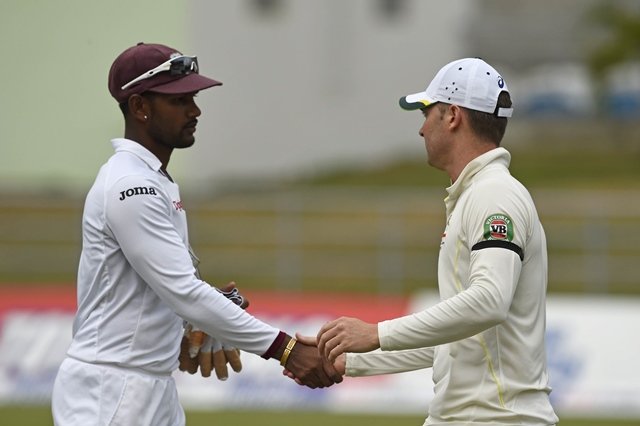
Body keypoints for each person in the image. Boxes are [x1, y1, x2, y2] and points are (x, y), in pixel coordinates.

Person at [51, 42, 341, 426]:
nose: (195, 110)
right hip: (112, 391)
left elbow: (162, 290)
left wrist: (191, 324)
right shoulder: (129, 185)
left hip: (147, 386)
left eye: (193, 97)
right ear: (140, 107)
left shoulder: (150, 179)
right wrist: (285, 349)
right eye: (179, 100)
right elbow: (183, 290)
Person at [304, 58, 559, 425]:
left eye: (427, 112)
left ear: (452, 116)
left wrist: (376, 333)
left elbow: (490, 300)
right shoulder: (479, 194)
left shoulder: (493, 196)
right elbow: (460, 342)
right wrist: (348, 360)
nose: (421, 129)